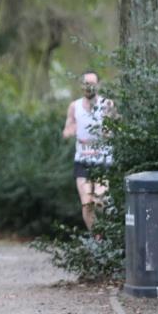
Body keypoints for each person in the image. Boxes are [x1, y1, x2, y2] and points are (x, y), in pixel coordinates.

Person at [62, 70, 115, 232]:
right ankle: (97, 240)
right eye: (86, 84)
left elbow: (114, 130)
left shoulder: (107, 104)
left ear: (98, 85)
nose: (89, 87)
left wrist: (109, 129)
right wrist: (70, 131)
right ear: (81, 85)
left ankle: (110, 229)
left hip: (102, 160)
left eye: (92, 84)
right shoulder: (74, 106)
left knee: (100, 200)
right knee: (87, 204)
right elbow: (66, 131)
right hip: (82, 161)